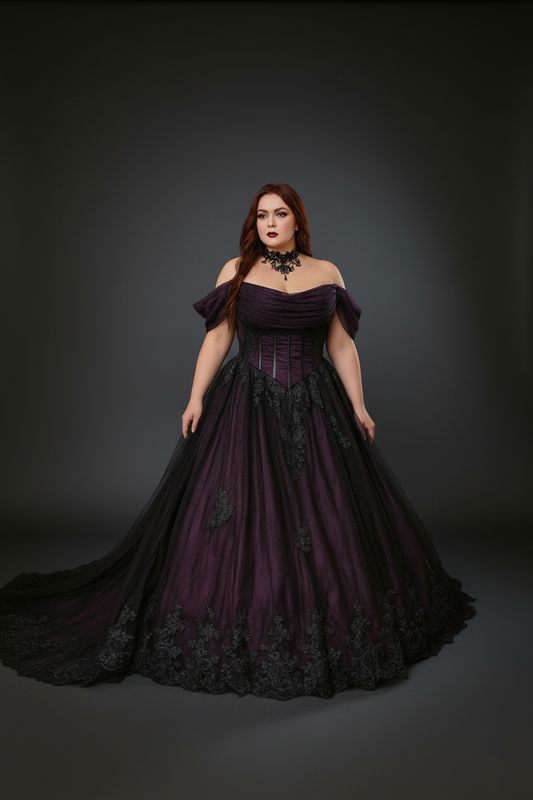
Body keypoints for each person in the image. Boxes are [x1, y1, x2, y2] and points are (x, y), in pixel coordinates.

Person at [0, 183, 475, 700]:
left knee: (326, 512)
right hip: (248, 399)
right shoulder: (237, 270)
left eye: (280, 214)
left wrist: (359, 406)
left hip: (317, 402)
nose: (270, 223)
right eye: (262, 215)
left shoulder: (328, 273)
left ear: (297, 221)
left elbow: (340, 345)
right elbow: (218, 338)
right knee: (242, 513)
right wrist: (195, 398)